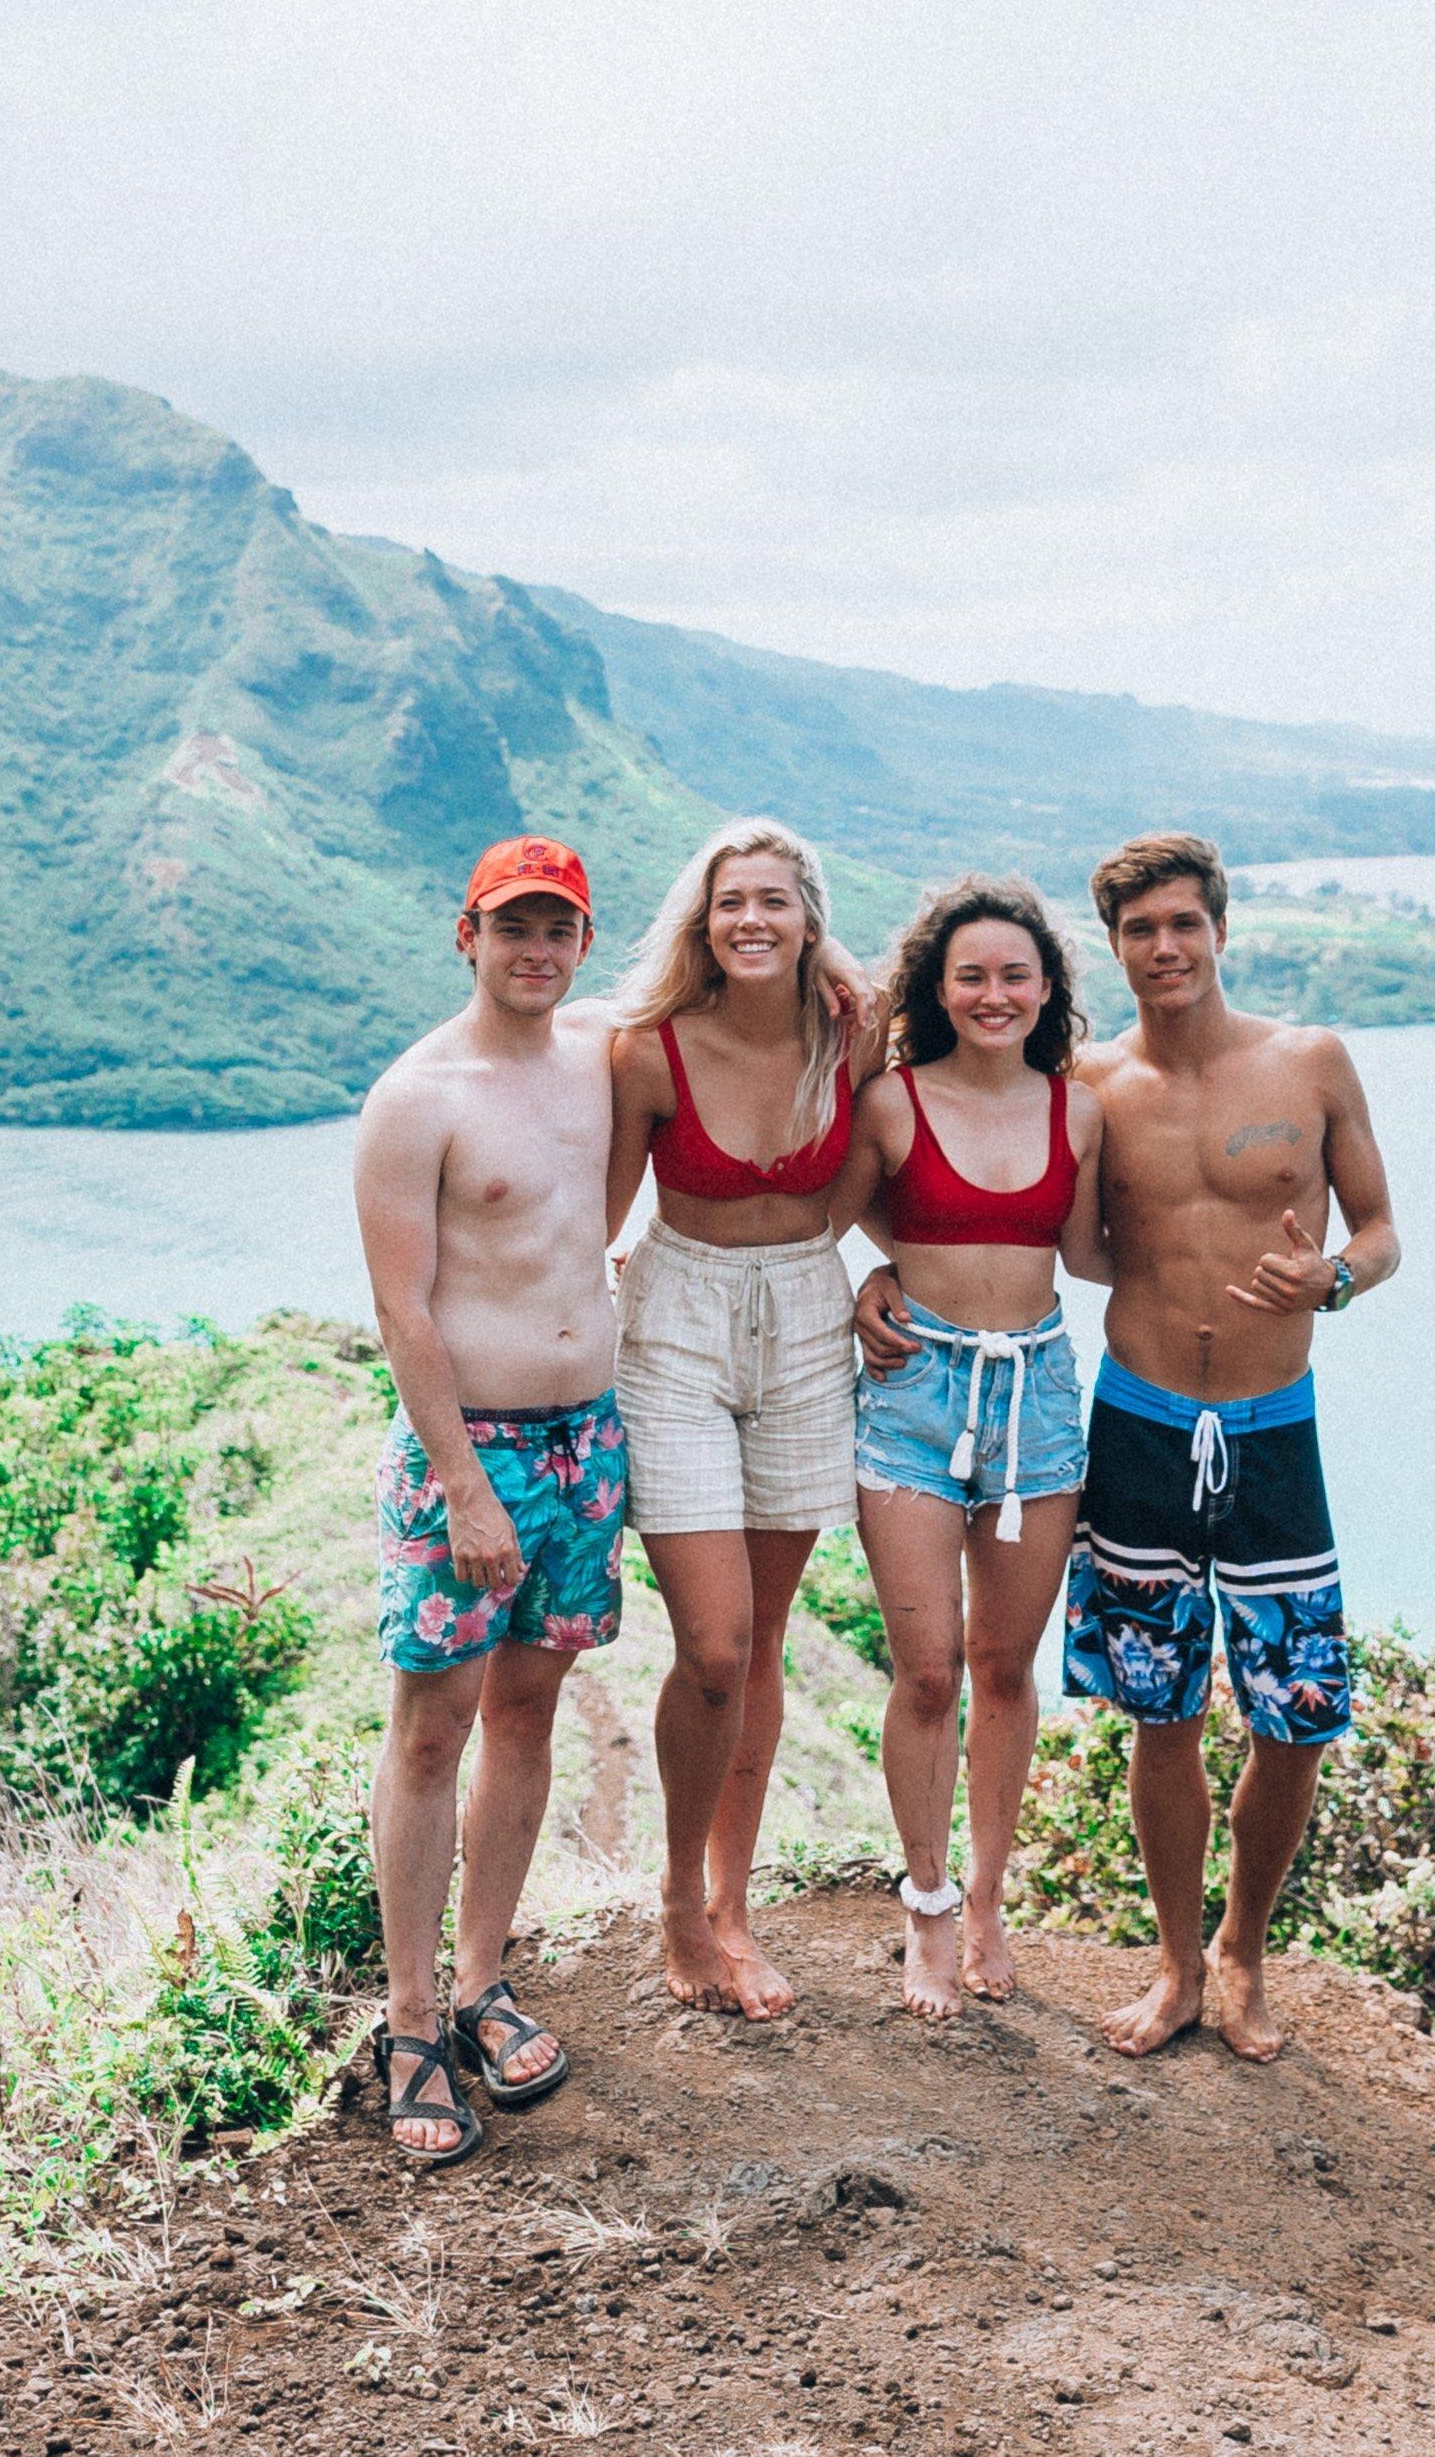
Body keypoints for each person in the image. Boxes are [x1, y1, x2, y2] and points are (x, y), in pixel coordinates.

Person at [857, 829, 1400, 2064]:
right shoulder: (1092, 1089)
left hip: (1274, 1429)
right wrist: (884, 1272)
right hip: (1141, 1417)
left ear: (1218, 930)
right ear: (1110, 950)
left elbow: (1380, 1229)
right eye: (1139, 931)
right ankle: (1173, 1965)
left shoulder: (1309, 1062)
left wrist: (1335, 1279)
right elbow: (993, 1206)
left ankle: (1243, 1953)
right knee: (1158, 1710)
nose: (1165, 947)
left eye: (1183, 925)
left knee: (1294, 1715)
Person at [352, 833, 628, 2165]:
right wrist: (463, 1480)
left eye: (558, 926)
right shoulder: (418, 1096)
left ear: (583, 942)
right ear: (464, 931)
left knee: (529, 1710)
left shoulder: (599, 1061)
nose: (535, 947)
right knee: (430, 1726)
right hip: (476, 1447)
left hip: (590, 1439)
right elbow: (402, 1307)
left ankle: (479, 1981)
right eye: (511, 924)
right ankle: (409, 2023)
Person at [603, 819, 877, 2019]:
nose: (751, 920)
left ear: (809, 917)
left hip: (810, 1322)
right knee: (711, 1644)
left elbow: (916, 1154)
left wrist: (890, 1274)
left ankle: (733, 1907)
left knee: (762, 1640)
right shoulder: (650, 1053)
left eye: (773, 900)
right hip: (676, 1324)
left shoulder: (852, 1040)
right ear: (702, 923)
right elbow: (597, 1208)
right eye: (730, 903)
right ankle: (675, 1897)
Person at [832, 876, 1107, 2021]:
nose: (993, 994)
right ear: (937, 990)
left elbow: (1089, 1255)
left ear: (1045, 989)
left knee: (1005, 1666)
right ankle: (929, 1905)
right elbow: (834, 1215)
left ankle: (990, 1897)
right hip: (913, 1393)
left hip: (1036, 1391)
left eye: (1014, 975)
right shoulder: (894, 1102)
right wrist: (876, 1280)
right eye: (971, 976)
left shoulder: (1076, 1110)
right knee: (930, 1670)